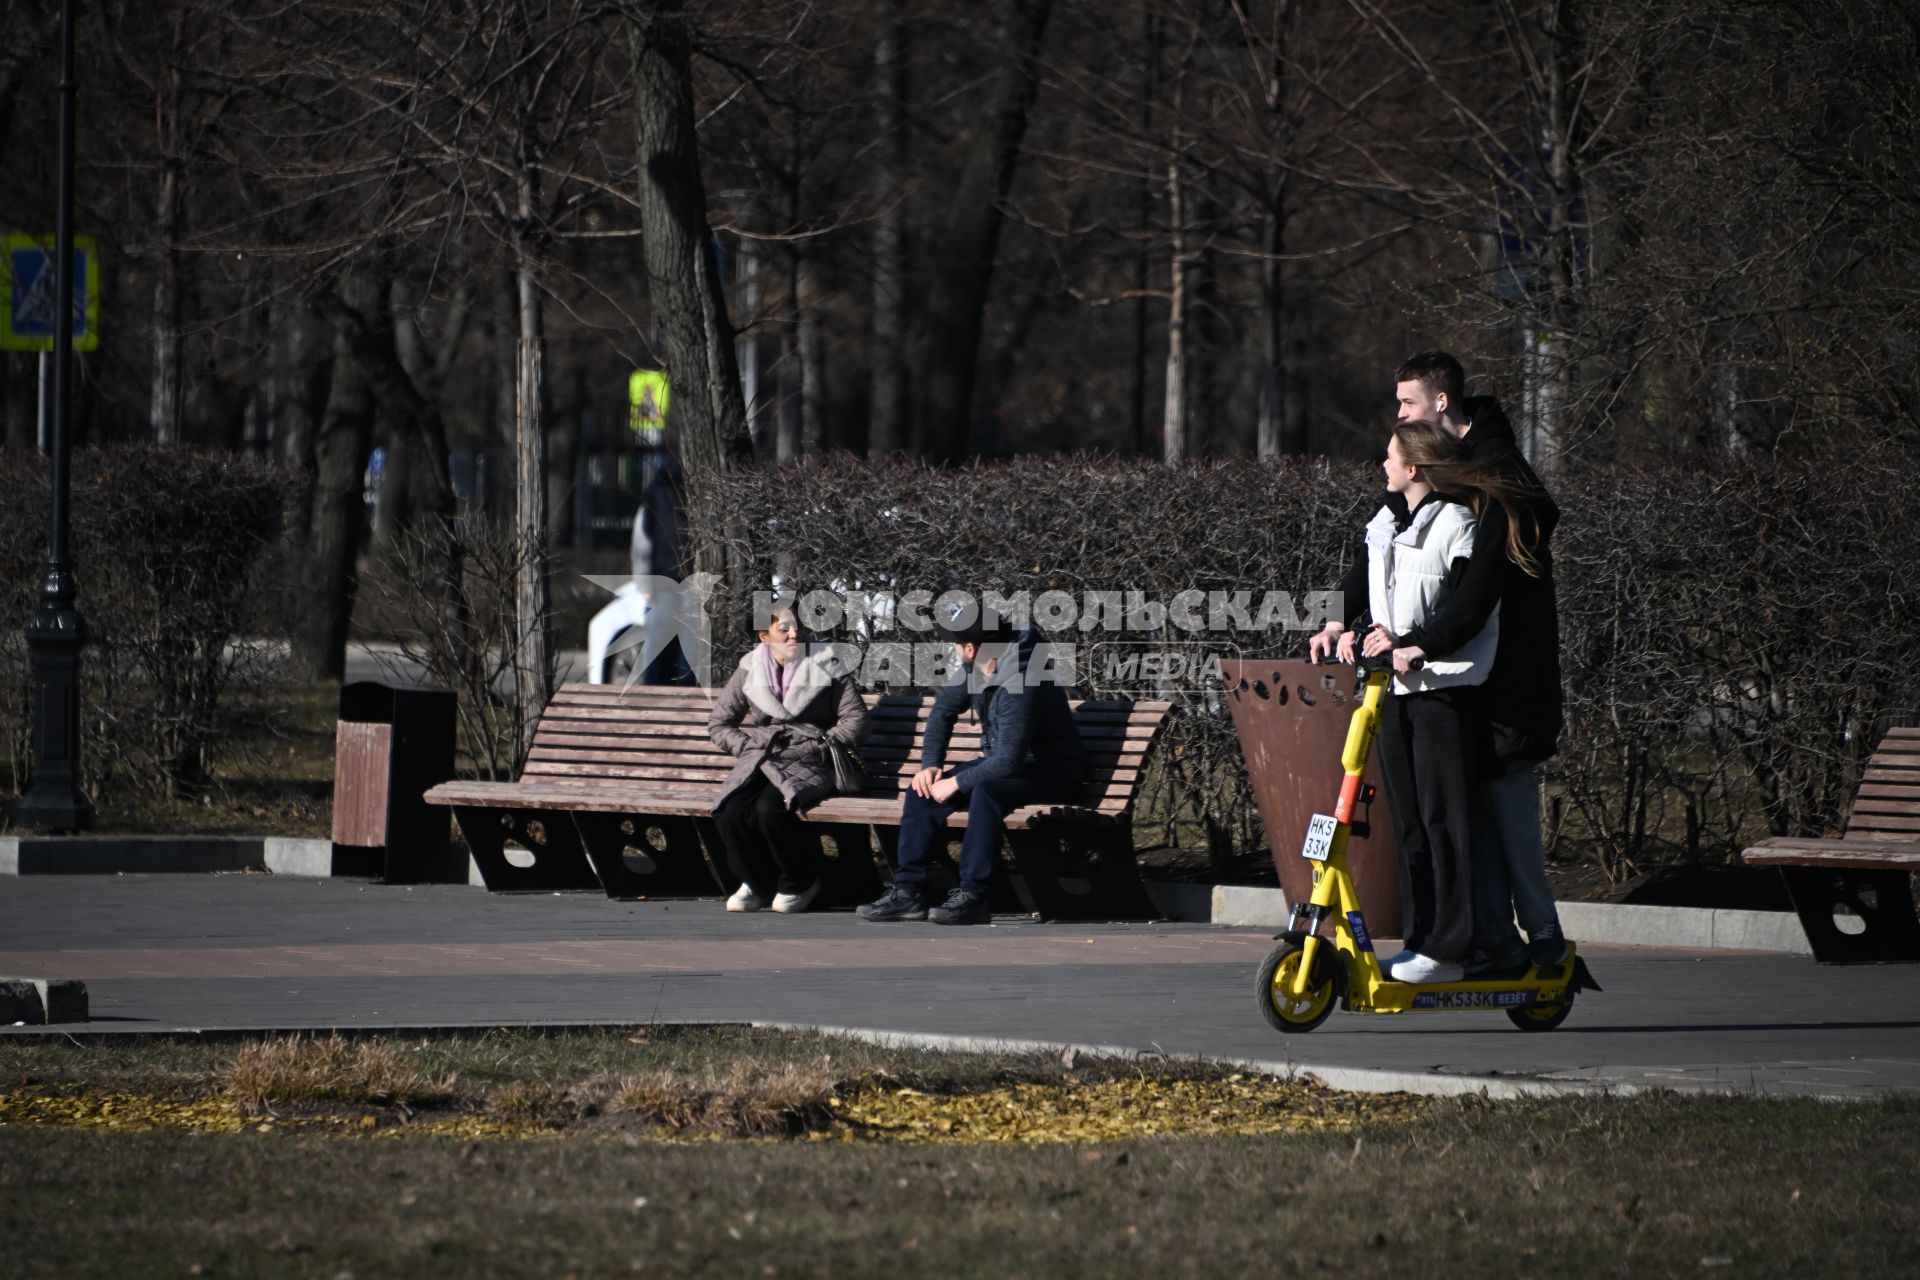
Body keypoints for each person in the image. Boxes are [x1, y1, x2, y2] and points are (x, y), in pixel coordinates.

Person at [1327, 421, 1499, 982]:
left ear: (1414, 468)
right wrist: (1335, 624)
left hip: (1444, 692)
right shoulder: (1385, 522)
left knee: (1443, 820)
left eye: (1389, 456)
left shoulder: (1458, 525)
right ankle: (1421, 941)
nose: (1382, 463)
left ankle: (1452, 949)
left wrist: (1419, 646)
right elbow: (1359, 577)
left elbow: (1468, 610)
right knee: (1410, 825)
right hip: (1395, 689)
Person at [857, 611, 1085, 926]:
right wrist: (931, 766)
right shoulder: (975, 667)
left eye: (954, 643)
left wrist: (956, 783)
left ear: (970, 648)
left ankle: (974, 895)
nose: (952, 649)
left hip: (1053, 772)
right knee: (922, 791)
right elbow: (944, 710)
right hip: (1008, 765)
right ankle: (908, 890)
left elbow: (1010, 760)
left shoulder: (1021, 680)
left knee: (986, 791)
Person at [707, 599, 869, 913]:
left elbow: (856, 719)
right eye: (784, 629)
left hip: (811, 756)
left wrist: (823, 744)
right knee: (729, 810)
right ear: (764, 636)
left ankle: (800, 881)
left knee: (773, 809)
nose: (795, 635)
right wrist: (745, 746)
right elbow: (719, 723)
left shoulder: (827, 662)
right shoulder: (750, 667)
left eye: (798, 627)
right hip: (761, 756)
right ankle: (756, 882)